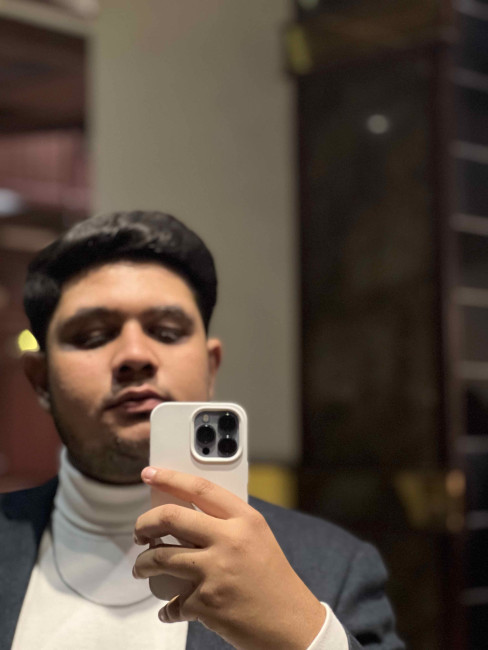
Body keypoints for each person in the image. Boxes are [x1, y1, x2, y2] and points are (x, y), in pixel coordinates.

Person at [0, 211, 404, 650]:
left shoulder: (335, 567)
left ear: (211, 367)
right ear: (40, 380)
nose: (135, 355)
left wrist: (304, 636)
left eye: (167, 332)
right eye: (94, 335)